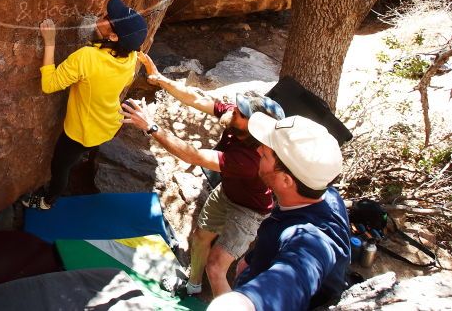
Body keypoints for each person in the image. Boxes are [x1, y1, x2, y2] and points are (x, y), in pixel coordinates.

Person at [122, 53, 284, 298]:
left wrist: (151, 127)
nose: (233, 110)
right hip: (227, 192)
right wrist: (160, 80)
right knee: (200, 238)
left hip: (249, 210)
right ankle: (193, 285)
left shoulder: (250, 160)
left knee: (216, 267)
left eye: (241, 112)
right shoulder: (236, 120)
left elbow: (194, 156)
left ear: (253, 127)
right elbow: (197, 99)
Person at [207, 114, 350, 311]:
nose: (257, 150)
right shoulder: (325, 194)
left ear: (285, 180)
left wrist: (242, 303)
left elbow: (296, 274)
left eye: (265, 154)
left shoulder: (311, 237)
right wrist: (250, 260)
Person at [22, 0, 147, 210]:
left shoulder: (87, 57)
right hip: (108, 124)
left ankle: (48, 200)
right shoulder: (131, 57)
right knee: (82, 151)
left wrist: (50, 41)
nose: (103, 14)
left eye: (109, 17)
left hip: (81, 131)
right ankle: (87, 160)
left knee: (60, 165)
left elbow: (49, 84)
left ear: (115, 37)